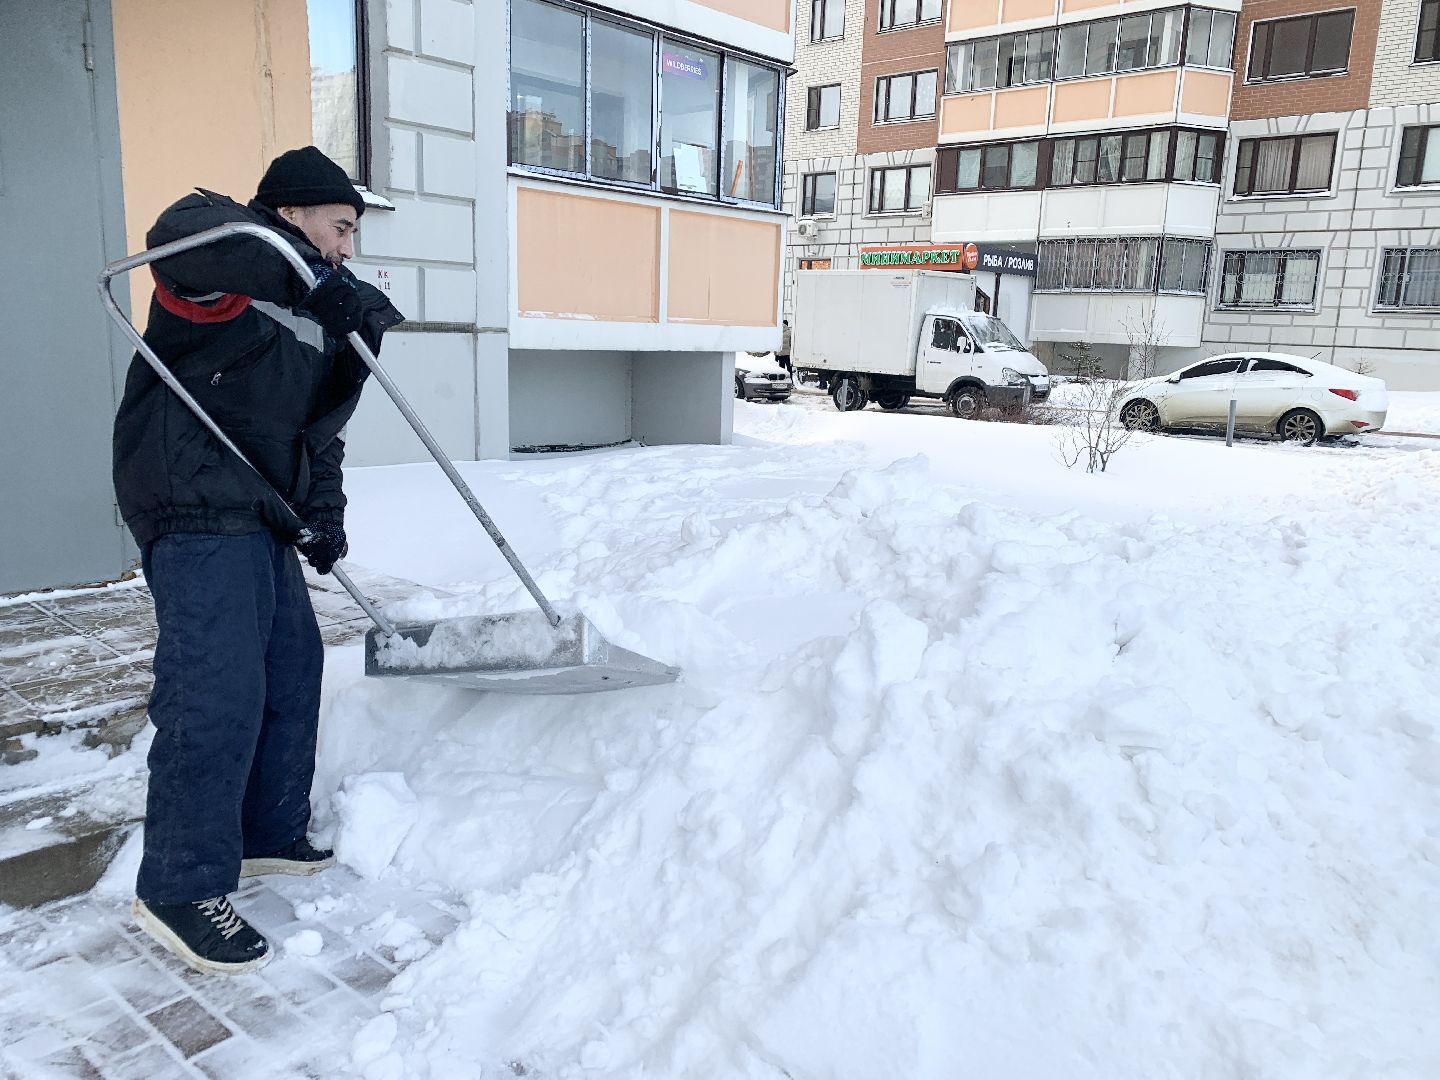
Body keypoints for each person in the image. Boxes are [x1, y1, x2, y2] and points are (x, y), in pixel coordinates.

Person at [112, 146, 404, 976]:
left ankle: (262, 833)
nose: (346, 248)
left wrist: (323, 515)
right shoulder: (228, 264)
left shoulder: (317, 312)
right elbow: (189, 235)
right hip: (196, 499)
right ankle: (177, 883)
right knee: (217, 688)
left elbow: (317, 434)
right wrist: (305, 273)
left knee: (289, 667)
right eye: (340, 228)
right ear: (292, 214)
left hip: (260, 512)